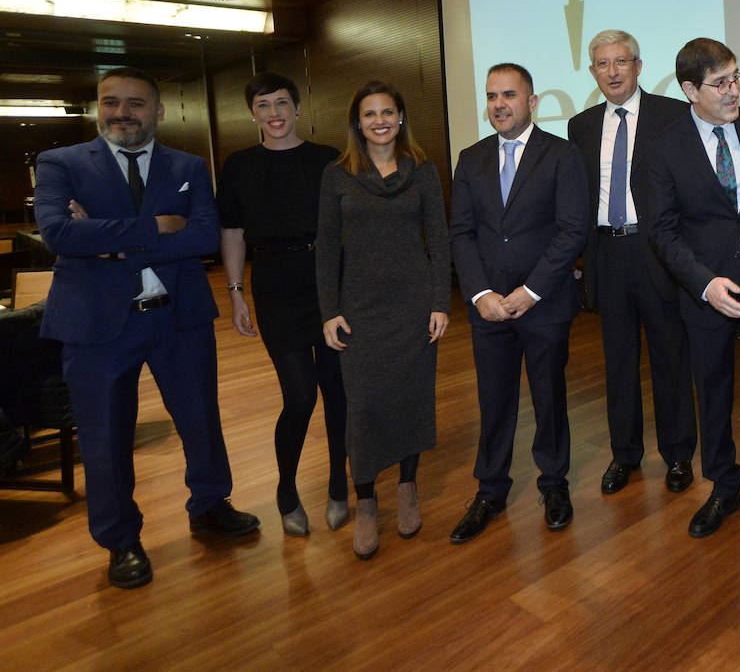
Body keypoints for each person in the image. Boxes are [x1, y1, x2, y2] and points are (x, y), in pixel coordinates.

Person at [34, 66, 258, 590]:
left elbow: (203, 235)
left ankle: (209, 504)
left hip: (178, 319)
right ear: (97, 107)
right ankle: (120, 540)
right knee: (105, 435)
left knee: (201, 419)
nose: (122, 113)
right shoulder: (61, 163)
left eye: (136, 104)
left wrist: (105, 241)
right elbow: (59, 234)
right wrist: (156, 227)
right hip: (96, 327)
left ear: (158, 112)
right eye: (111, 102)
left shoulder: (190, 166)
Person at [640, 37, 740, 548]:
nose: (734, 91)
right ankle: (724, 488)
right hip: (705, 287)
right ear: (690, 90)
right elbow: (661, 230)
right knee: (712, 392)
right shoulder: (663, 148)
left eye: (737, 78)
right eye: (720, 83)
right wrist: (705, 284)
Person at [448, 64, 588, 543]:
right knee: (494, 401)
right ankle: (490, 490)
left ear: (532, 101)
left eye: (509, 95)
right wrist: (481, 293)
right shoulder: (470, 159)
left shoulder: (562, 155)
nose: (499, 104)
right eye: (491, 96)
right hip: (488, 308)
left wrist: (530, 292)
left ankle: (553, 485)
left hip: (543, 304)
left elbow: (573, 230)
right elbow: (462, 233)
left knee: (549, 398)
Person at [316, 81, 451, 560]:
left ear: (400, 118)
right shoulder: (338, 175)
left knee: (411, 397)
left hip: (413, 307)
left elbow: (438, 237)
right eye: (369, 114)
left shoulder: (424, 171)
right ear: (357, 122)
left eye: (388, 112)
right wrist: (329, 310)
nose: (379, 121)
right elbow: (327, 247)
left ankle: (408, 485)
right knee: (366, 405)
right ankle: (367, 498)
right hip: (359, 310)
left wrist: (440, 302)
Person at [567, 29, 696, 497]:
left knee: (669, 357)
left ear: (639, 66)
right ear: (593, 72)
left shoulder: (674, 115)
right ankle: (625, 455)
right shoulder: (579, 126)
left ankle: (679, 455)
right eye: (602, 64)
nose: (612, 71)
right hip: (608, 253)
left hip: (657, 250)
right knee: (617, 361)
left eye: (621, 62)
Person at [218, 72, 348, 537]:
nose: (274, 113)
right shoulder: (239, 166)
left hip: (329, 282)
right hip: (274, 285)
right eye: (263, 105)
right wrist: (235, 293)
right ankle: (287, 488)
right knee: (299, 395)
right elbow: (232, 232)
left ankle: (338, 485)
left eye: (281, 103)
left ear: (297, 108)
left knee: (338, 395)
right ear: (253, 113)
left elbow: (347, 227)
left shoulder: (329, 159)